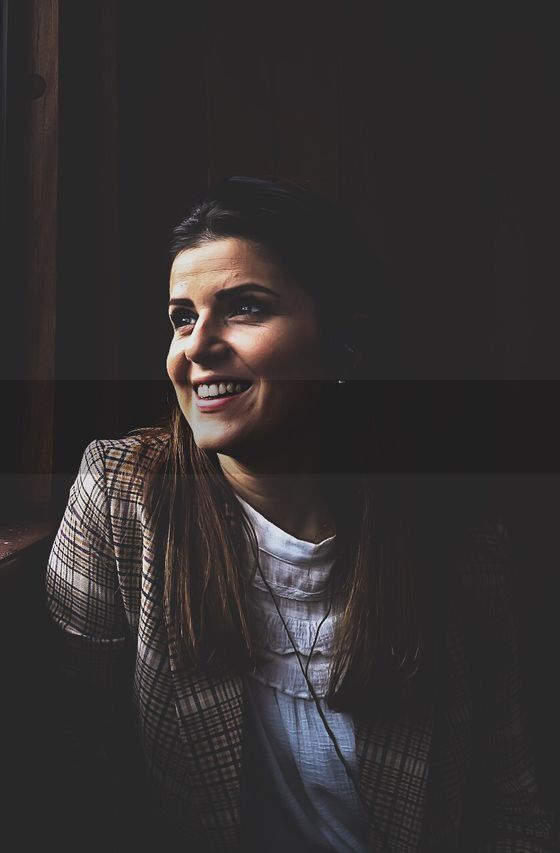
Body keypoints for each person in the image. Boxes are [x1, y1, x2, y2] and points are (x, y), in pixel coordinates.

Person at [44, 177, 554, 851]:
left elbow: (512, 805)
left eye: (245, 308)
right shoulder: (121, 493)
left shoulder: (456, 539)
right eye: (182, 317)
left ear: (343, 344)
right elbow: (86, 775)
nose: (196, 347)